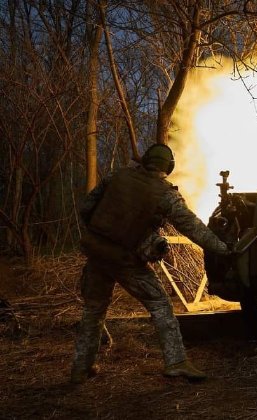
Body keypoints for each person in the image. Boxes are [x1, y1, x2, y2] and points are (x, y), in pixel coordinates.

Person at [71, 143, 229, 384]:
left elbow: (86, 209)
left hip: (97, 253)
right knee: (160, 304)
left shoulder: (117, 176)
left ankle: (81, 368)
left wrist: (105, 233)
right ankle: (176, 362)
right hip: (125, 260)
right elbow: (191, 226)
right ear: (169, 167)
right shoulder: (164, 194)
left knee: (93, 309)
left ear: (144, 160)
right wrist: (223, 248)